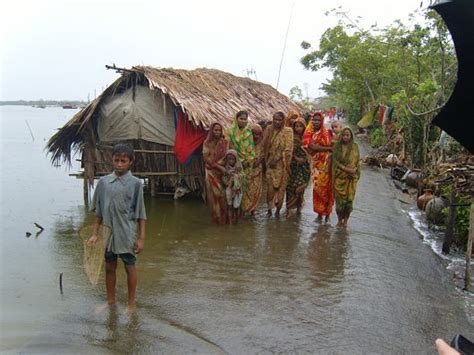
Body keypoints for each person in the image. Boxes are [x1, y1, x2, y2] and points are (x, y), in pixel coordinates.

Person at [87, 143, 146, 312]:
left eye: (123, 161)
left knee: (129, 266)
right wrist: (94, 234)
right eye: (116, 160)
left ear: (131, 162)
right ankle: (111, 301)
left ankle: (131, 303)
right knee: (109, 267)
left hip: (126, 233)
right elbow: (99, 212)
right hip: (108, 233)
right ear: (111, 160)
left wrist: (141, 238)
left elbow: (141, 214)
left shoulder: (135, 184)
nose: (119, 164)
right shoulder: (104, 183)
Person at [303, 111, 334, 223]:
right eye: (314, 120)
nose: (316, 122)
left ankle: (327, 214)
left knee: (327, 189)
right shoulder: (309, 132)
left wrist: (327, 149)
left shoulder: (326, 132)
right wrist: (327, 149)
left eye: (318, 120)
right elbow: (310, 146)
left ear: (322, 121)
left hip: (327, 165)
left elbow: (333, 146)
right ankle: (320, 213)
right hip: (316, 165)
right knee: (317, 189)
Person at [263, 111, 293, 217]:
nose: (277, 122)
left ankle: (277, 211)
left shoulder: (288, 131)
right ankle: (269, 210)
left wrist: (277, 159)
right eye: (275, 119)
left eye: (279, 120)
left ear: (283, 120)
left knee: (281, 189)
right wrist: (268, 160)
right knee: (270, 188)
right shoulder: (269, 129)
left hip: (282, 165)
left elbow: (288, 149)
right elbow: (264, 146)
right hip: (270, 164)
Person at [225, 110, 255, 215]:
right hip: (233, 165)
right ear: (236, 119)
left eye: (245, 119)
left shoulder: (248, 132)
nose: (243, 121)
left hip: (246, 165)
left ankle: (242, 211)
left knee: (244, 189)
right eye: (241, 118)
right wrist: (237, 162)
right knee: (233, 187)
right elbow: (227, 148)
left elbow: (251, 149)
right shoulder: (229, 131)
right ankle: (232, 211)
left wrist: (248, 160)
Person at [331, 127, 360, 227]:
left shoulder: (355, 147)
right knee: (339, 202)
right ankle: (339, 220)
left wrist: (354, 171)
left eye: (347, 135)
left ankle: (346, 221)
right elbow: (334, 162)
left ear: (351, 136)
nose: (345, 137)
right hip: (339, 178)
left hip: (351, 179)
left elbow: (357, 162)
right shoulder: (337, 147)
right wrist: (346, 169)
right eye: (343, 135)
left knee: (349, 202)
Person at [203, 122, 229, 224]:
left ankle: (223, 219)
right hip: (211, 173)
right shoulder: (207, 143)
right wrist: (218, 166)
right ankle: (216, 218)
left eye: (219, 130)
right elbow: (207, 159)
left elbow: (227, 157)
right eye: (215, 130)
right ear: (212, 131)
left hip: (222, 173)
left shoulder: (224, 143)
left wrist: (224, 168)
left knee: (223, 196)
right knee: (215, 196)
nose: (217, 132)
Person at [286, 117, 311, 216]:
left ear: (304, 127)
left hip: (304, 168)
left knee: (300, 189)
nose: (298, 128)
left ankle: (298, 209)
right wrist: (296, 158)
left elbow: (310, 153)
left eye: (301, 126)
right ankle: (288, 209)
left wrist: (304, 160)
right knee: (290, 188)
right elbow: (288, 151)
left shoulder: (307, 139)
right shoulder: (291, 138)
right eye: (296, 126)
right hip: (293, 167)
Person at [242, 124, 265, 215]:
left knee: (256, 191)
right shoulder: (245, 143)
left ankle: (253, 210)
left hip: (257, 171)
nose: (256, 136)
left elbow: (263, 155)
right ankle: (244, 210)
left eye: (258, 134)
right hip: (247, 170)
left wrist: (259, 161)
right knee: (246, 191)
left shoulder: (262, 143)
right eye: (254, 134)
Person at [222, 149, 243, 224]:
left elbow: (242, 177)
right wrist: (229, 180)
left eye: (232, 159)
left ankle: (236, 222)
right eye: (229, 159)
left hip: (237, 190)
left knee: (236, 207)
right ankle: (230, 223)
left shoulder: (239, 167)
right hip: (229, 189)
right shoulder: (226, 168)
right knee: (229, 207)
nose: (231, 161)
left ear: (235, 159)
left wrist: (235, 176)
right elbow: (224, 180)